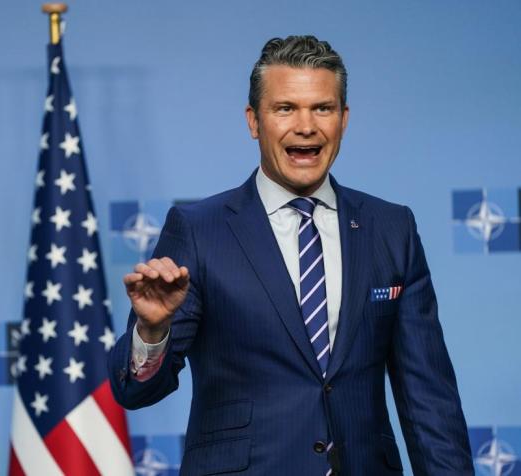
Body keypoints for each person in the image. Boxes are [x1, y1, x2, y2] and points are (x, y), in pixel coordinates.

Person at [108, 35, 473, 475]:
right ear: (254, 121)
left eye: (323, 108)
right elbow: (136, 392)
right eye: (285, 108)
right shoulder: (199, 230)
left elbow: (429, 398)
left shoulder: (391, 228)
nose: (306, 126)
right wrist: (152, 330)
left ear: (343, 119)